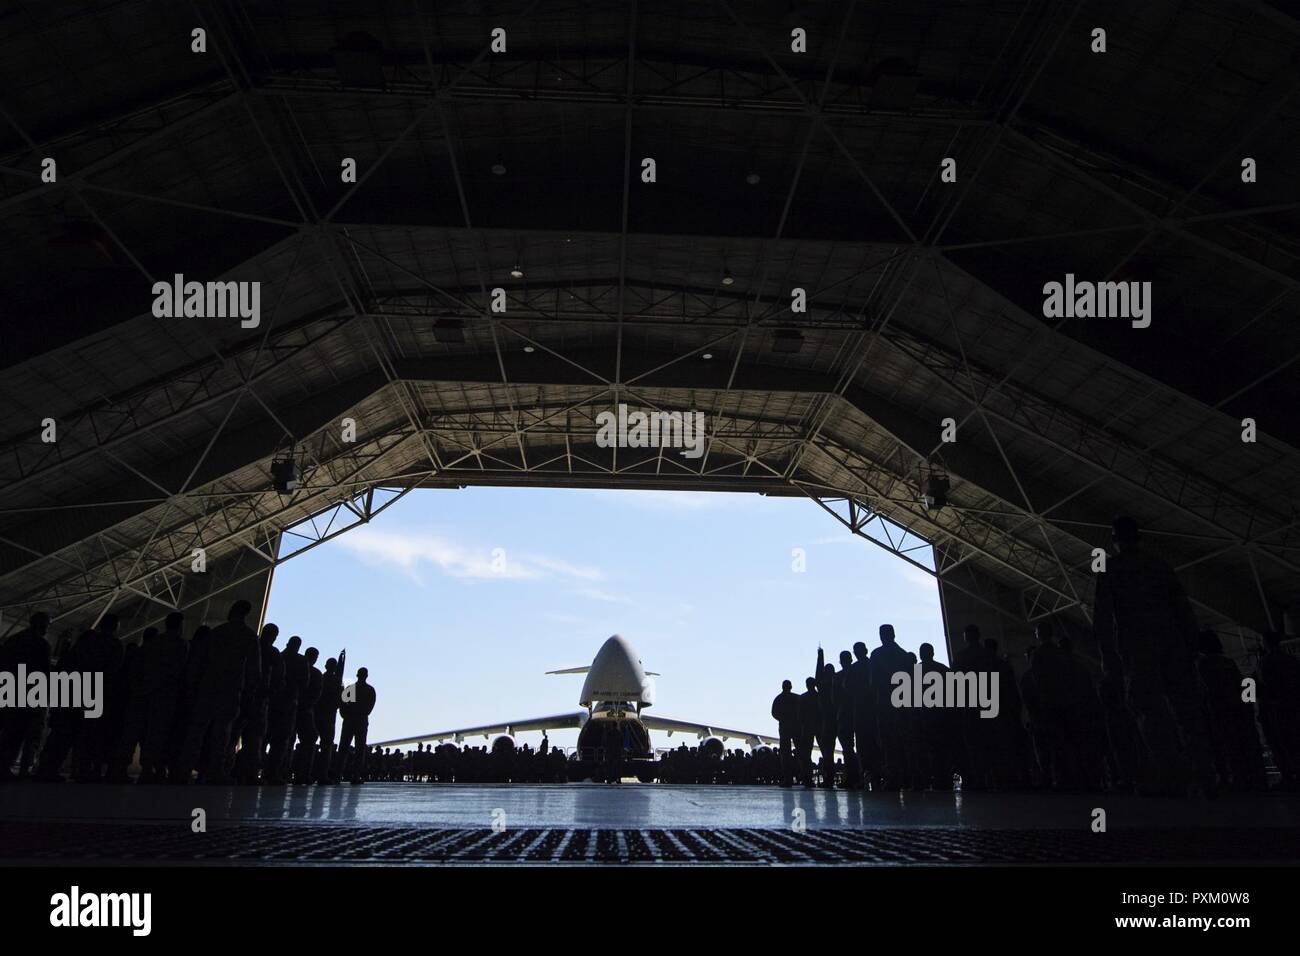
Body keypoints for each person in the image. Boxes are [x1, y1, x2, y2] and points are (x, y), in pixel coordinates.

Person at [1092, 515, 1215, 797]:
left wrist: (1108, 658)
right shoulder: (1160, 566)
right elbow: (1183, 608)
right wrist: (1191, 646)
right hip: (1172, 644)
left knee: (1150, 712)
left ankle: (1170, 776)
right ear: (1139, 536)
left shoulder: (1112, 569)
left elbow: (1102, 618)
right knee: (1187, 711)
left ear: (1115, 540)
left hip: (1138, 648)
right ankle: (1205, 775)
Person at [173, 601, 260, 784]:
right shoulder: (248, 637)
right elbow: (254, 671)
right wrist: (250, 695)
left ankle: (183, 769)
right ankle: (215, 771)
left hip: (208, 688)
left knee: (197, 731)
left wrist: (193, 686)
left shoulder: (217, 633)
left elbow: (199, 662)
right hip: (230, 690)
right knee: (222, 734)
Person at [1196, 630, 1265, 792]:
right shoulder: (1228, 663)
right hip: (1237, 710)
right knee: (1244, 746)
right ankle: (1255, 779)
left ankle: (1238, 779)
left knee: (1228, 748)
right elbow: (1243, 687)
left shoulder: (1203, 665)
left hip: (1221, 712)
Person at [0, 612, 51, 781]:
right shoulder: (41, 645)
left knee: (9, 731)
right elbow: (43, 673)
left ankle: (4, 765)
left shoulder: (14, 641)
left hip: (10, 692)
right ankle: (13, 767)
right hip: (29, 695)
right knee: (22, 733)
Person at [234, 623, 281, 783]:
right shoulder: (273, 653)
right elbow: (279, 679)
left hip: (241, 695)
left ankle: (227, 768)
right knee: (255, 738)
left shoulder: (249, 645)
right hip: (260, 699)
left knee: (232, 734)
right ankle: (250, 773)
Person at [870, 624, 913, 789]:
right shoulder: (904, 655)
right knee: (904, 739)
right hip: (903, 703)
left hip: (885, 702)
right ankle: (908, 776)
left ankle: (893, 776)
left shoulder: (877, 654)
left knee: (888, 741)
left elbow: (873, 682)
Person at [1258, 631, 1300, 790]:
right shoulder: (1292, 660)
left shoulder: (1265, 662)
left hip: (1276, 708)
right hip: (1293, 707)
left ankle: (1288, 776)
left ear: (1266, 643)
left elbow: (1263, 687)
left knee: (1280, 743)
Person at [265, 635, 308, 784]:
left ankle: (256, 770)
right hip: (289, 703)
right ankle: (275, 772)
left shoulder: (279, 656)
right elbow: (305, 684)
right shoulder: (300, 661)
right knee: (282, 739)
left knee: (266, 736)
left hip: (272, 702)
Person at [336, 667, 376, 784]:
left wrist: (347, 716)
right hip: (360, 720)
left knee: (344, 747)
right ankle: (355, 775)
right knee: (358, 749)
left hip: (350, 720)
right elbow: (369, 707)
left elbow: (343, 706)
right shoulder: (368, 690)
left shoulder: (352, 689)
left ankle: (338, 774)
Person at [847, 641, 878, 789]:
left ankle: (866, 772)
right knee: (875, 742)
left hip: (859, 710)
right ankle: (878, 773)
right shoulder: (873, 665)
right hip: (874, 710)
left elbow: (846, 688)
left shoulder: (853, 669)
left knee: (862, 744)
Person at [293, 647, 322, 783]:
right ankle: (303, 773)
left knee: (285, 741)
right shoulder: (315, 674)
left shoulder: (293, 666)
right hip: (305, 710)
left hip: (290, 707)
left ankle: (283, 771)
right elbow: (316, 694)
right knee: (309, 740)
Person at [834, 650, 861, 788]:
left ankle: (851, 777)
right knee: (862, 746)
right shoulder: (859, 672)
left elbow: (834, 699)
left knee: (847, 748)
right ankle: (862, 776)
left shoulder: (837, 677)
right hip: (861, 712)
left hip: (844, 715)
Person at [314, 657, 342, 783]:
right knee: (326, 746)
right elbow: (346, 700)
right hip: (329, 715)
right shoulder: (338, 682)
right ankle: (322, 775)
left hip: (317, 713)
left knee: (311, 745)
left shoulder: (319, 677)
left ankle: (307, 772)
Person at [813, 648, 837, 788]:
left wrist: (820, 656)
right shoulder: (837, 682)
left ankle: (829, 778)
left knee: (827, 751)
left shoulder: (822, 686)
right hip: (838, 718)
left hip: (826, 721)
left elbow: (818, 673)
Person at [770, 679, 801, 787]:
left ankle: (788, 779)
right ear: (791, 687)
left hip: (785, 728)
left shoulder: (779, 699)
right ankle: (806, 778)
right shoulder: (797, 698)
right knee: (801, 753)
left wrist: (783, 719)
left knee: (785, 754)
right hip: (796, 728)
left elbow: (774, 713)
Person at [796, 676, 819, 788]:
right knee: (826, 752)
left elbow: (800, 716)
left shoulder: (803, 698)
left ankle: (807, 779)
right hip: (820, 727)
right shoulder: (820, 696)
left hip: (806, 728)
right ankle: (828, 778)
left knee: (806, 755)